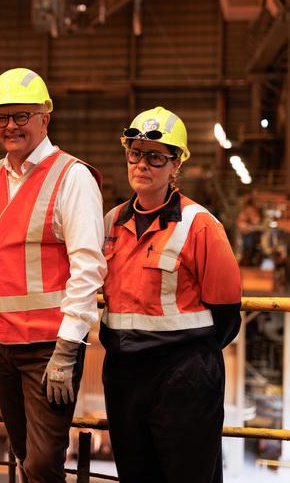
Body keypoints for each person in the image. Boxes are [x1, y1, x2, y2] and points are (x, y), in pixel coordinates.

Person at [0, 67, 106, 482]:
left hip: (48, 349)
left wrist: (68, 349)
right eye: (1, 117)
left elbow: (88, 268)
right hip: (1, 343)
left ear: (44, 118)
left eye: (21, 116)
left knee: (44, 462)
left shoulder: (72, 177)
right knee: (21, 452)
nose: (10, 126)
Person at [101, 106, 242, 483]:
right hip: (123, 374)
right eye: (135, 153)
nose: (142, 165)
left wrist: (188, 354)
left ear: (175, 164)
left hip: (184, 377)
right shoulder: (112, 222)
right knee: (135, 474)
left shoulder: (201, 226)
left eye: (155, 157)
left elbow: (228, 314)